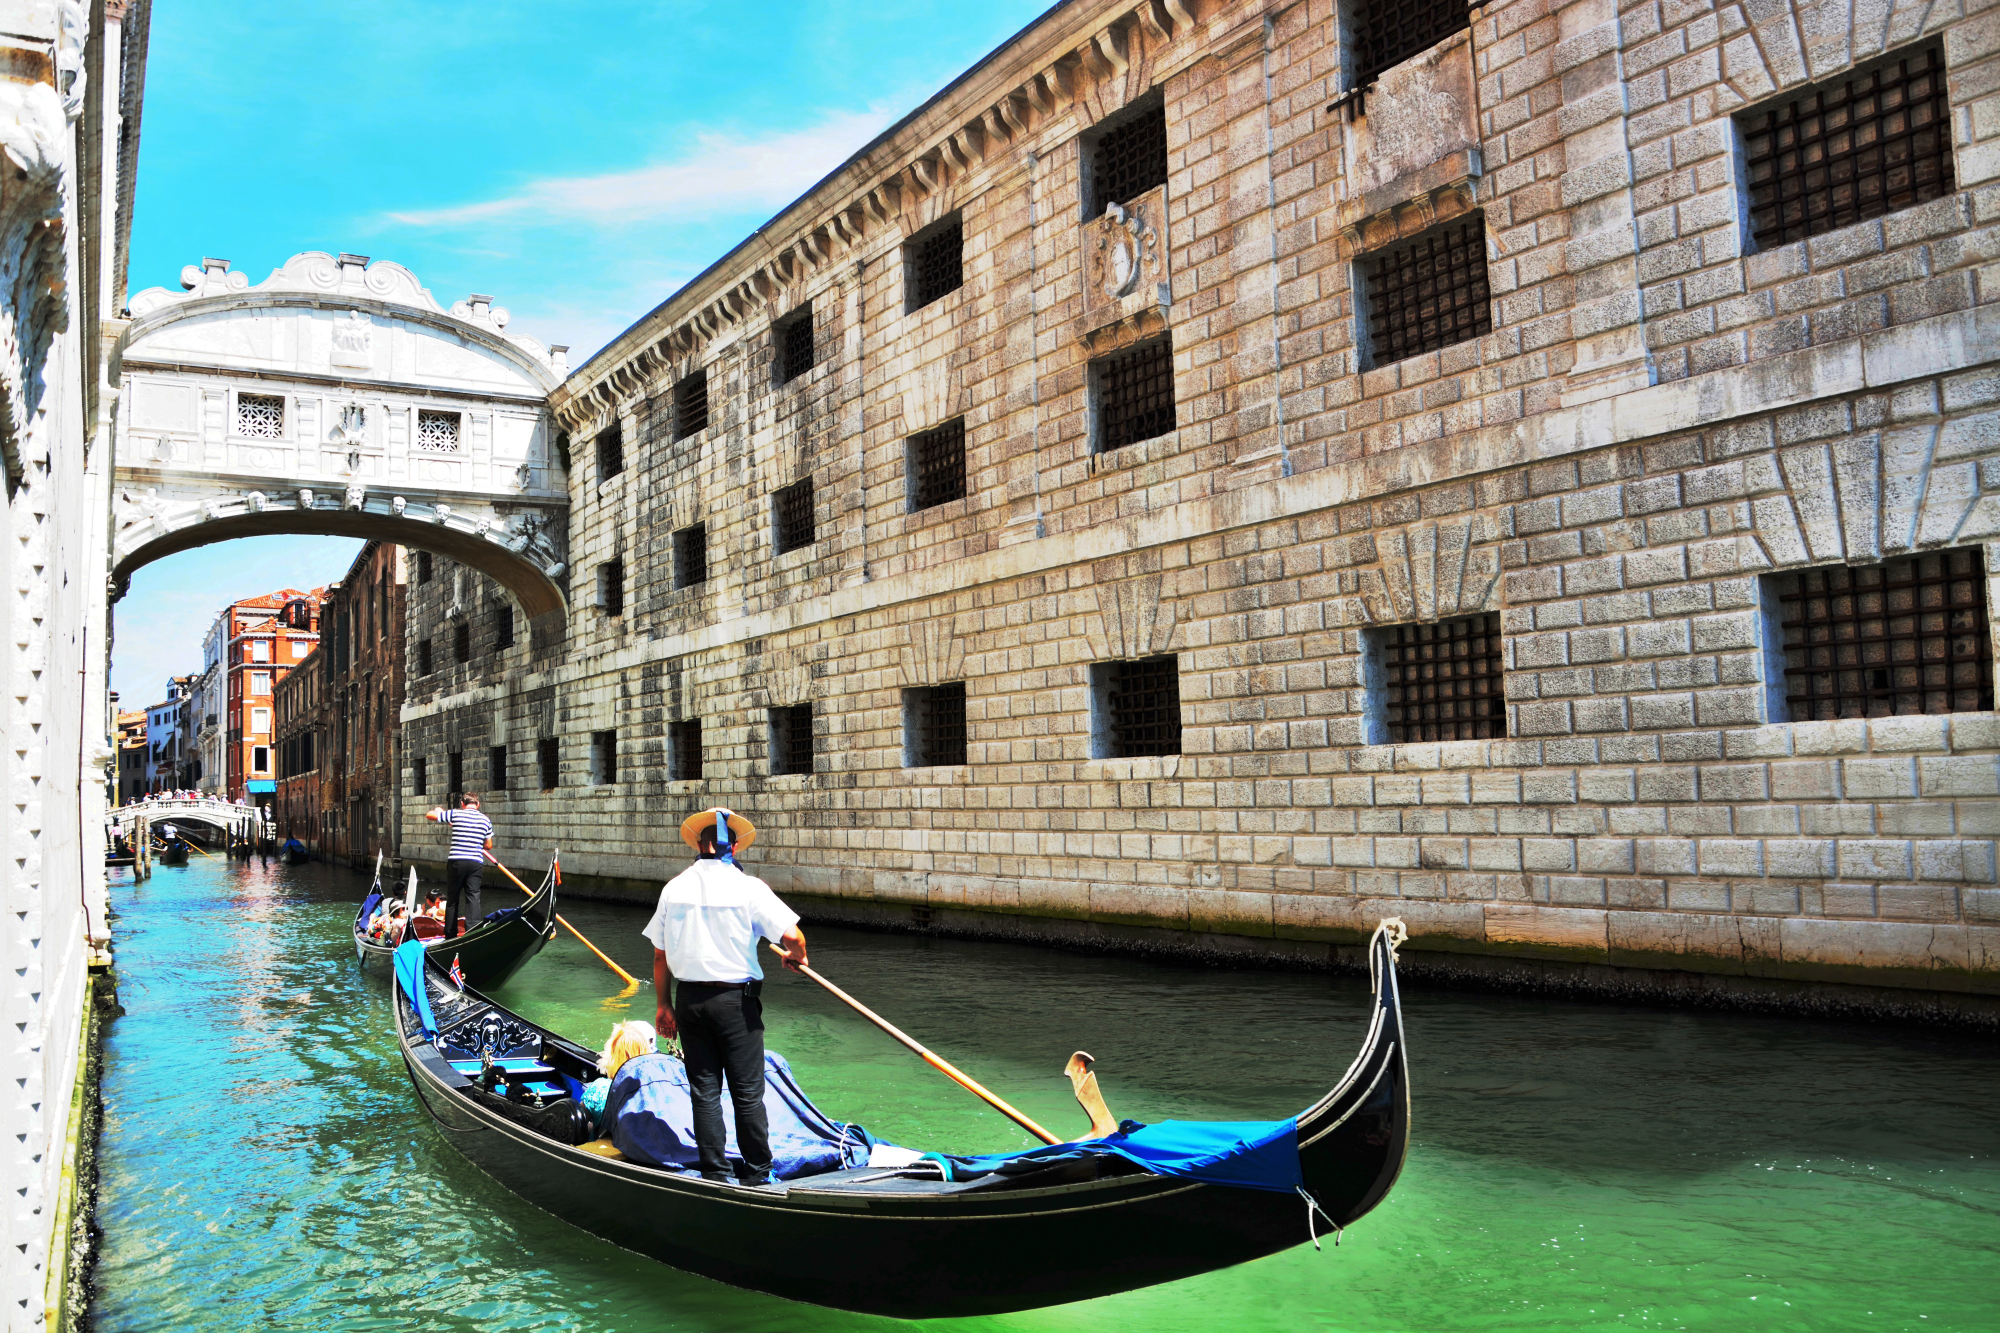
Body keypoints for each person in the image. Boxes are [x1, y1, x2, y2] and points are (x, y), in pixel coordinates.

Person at [644, 807, 808, 1186]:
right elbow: (794, 937)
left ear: (699, 845)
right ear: (732, 847)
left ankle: (715, 1173)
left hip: (689, 1002)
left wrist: (663, 1005)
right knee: (747, 1092)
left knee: (704, 1092)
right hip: (736, 1004)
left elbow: (659, 956)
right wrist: (796, 957)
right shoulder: (749, 887)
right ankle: (758, 1174)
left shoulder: (674, 888)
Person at [424, 793, 494, 937]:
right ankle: (472, 933)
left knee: (453, 898)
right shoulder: (485, 820)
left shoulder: (455, 814)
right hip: (475, 863)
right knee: (473, 898)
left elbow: (429, 815)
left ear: (462, 804)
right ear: (478, 805)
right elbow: (488, 845)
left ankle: (450, 934)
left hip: (457, 862)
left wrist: (438, 811)